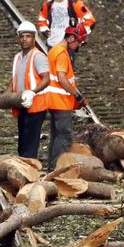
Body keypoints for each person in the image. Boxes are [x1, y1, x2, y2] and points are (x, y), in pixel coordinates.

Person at [44, 24, 88, 171]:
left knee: (56, 135)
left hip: (53, 100)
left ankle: (51, 168)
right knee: (65, 135)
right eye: (78, 42)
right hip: (60, 102)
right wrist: (77, 95)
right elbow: (62, 78)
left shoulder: (54, 50)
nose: (78, 46)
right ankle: (57, 169)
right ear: (70, 38)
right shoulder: (62, 53)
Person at [6, 21, 50, 159]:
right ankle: (24, 163)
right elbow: (14, 78)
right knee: (23, 142)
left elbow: (46, 79)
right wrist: (7, 95)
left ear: (34, 38)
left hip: (35, 105)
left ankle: (29, 166)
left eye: (28, 36)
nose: (24, 39)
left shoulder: (38, 56)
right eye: (22, 36)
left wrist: (32, 92)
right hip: (22, 104)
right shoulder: (18, 57)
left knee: (30, 142)